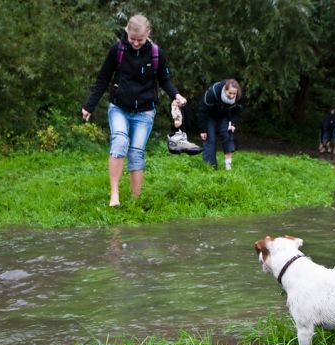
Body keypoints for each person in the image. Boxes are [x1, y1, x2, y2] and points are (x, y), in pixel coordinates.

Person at [81, 14, 187, 207]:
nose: (136, 43)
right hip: (119, 107)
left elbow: (164, 79)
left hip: (145, 111)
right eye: (132, 39)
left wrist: (176, 95)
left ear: (148, 34)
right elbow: (103, 78)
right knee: (120, 142)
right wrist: (90, 105)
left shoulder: (155, 53)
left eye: (140, 39)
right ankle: (114, 195)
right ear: (127, 32)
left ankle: (135, 202)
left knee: (137, 152)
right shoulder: (117, 50)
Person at [198, 79, 243, 170]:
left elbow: (237, 111)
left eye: (234, 94)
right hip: (209, 116)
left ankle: (228, 166)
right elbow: (202, 111)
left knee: (227, 134)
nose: (232, 96)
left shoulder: (238, 97)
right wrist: (203, 130)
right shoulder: (213, 92)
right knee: (210, 139)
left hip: (224, 116)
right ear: (224, 90)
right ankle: (209, 167)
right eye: (230, 93)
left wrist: (233, 124)